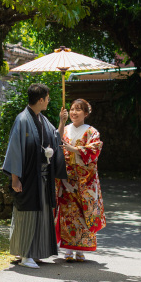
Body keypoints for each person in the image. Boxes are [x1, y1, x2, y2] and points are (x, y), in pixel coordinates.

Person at [2, 83, 67, 268]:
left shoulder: (43, 120)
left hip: (43, 177)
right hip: (29, 176)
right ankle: (25, 255)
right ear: (40, 99)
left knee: (41, 215)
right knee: (27, 214)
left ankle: (36, 252)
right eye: (47, 98)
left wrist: (62, 122)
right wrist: (15, 178)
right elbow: (15, 149)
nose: (48, 100)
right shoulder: (22, 120)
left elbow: (56, 139)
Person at [56, 98, 106, 262]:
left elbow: (95, 150)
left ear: (85, 113)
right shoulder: (65, 129)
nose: (74, 112)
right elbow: (56, 141)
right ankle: (68, 249)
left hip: (85, 180)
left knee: (84, 213)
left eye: (78, 110)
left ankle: (81, 249)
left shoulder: (92, 132)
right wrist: (61, 122)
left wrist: (74, 149)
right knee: (68, 213)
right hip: (67, 179)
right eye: (71, 109)